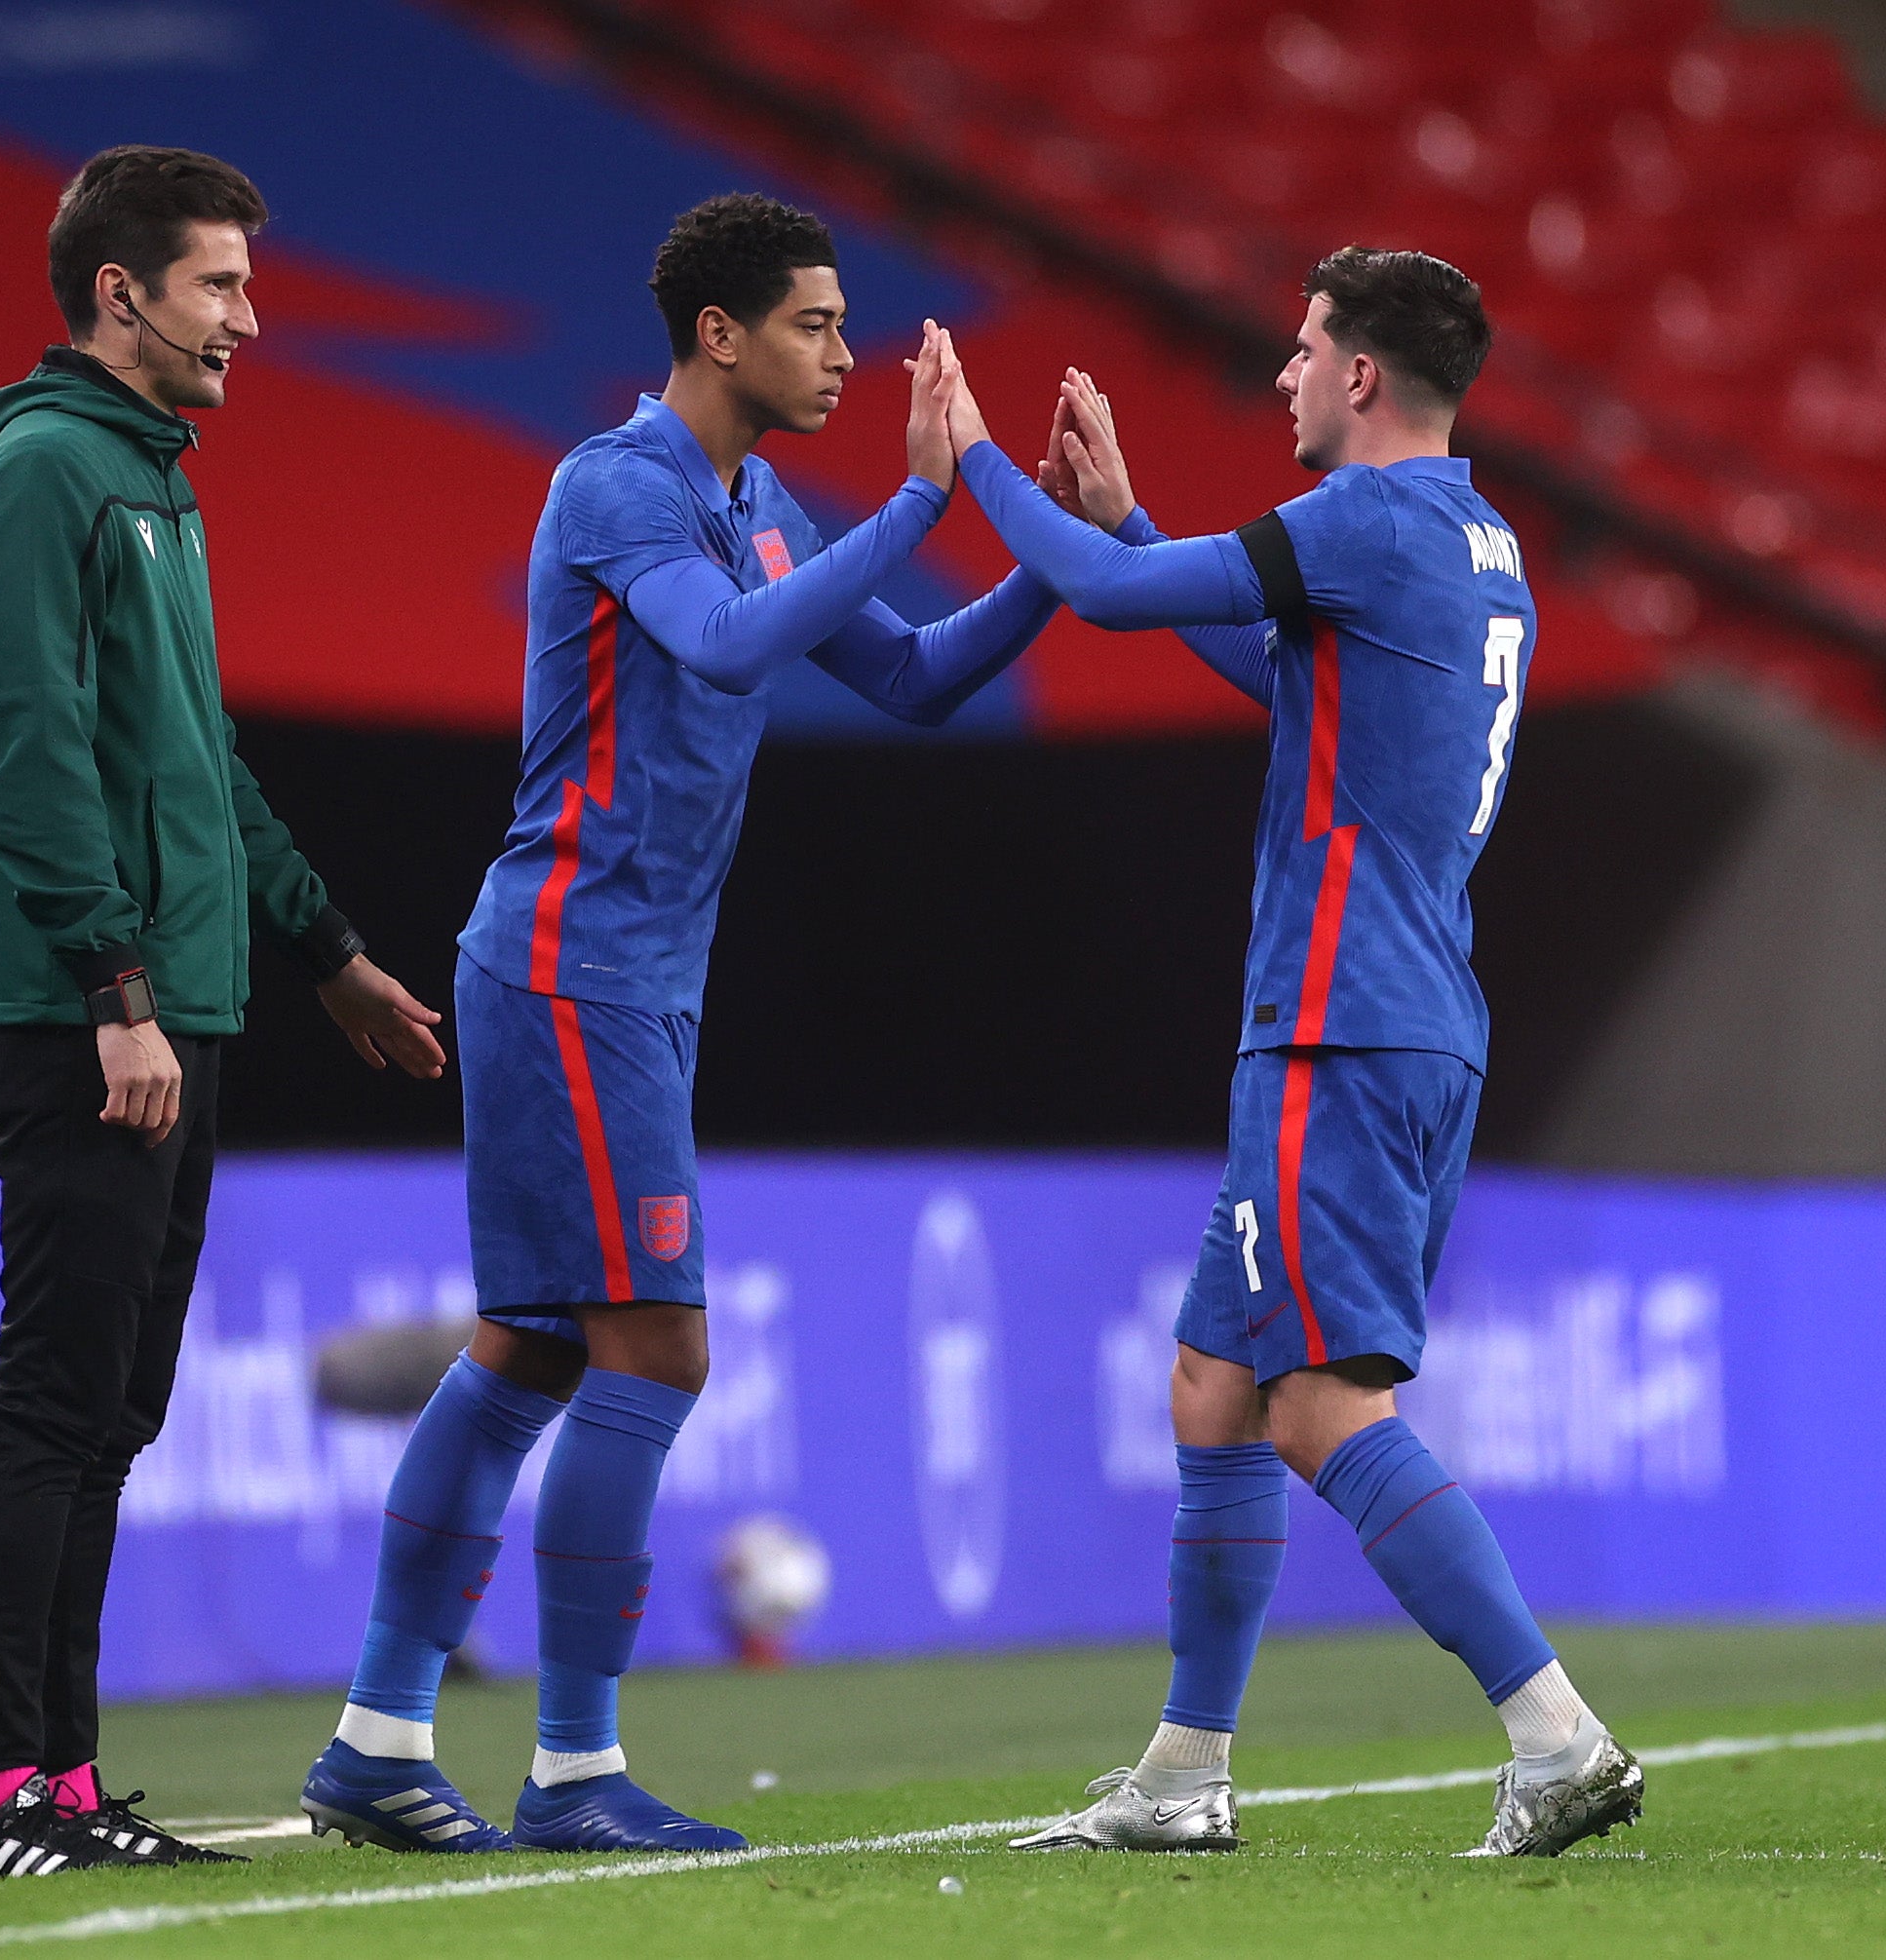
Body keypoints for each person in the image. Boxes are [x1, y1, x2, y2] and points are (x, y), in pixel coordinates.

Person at [299, 193, 1062, 1855]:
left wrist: (1045, 554)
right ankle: (573, 1771)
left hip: (624, 978)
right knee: (657, 1347)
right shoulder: (618, 482)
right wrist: (926, 497)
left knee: (528, 1353)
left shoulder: (761, 500)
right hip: (574, 965)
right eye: (816, 323)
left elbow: (918, 679)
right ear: (720, 335)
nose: (848, 352)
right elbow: (719, 642)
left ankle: (374, 1739)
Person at [949, 249, 1642, 1859]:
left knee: (1320, 1403)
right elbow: (1287, 687)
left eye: (1302, 346)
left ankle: (1555, 1735)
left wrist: (975, 457)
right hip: (1400, 1017)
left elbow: (1121, 605)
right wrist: (1124, 518)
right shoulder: (1479, 538)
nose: (1281, 373)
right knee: (1215, 1385)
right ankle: (1186, 1775)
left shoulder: (1371, 519)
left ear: (1360, 378)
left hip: (1340, 1020)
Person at [0, 145, 447, 1882]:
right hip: (90, 1016)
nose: (249, 315)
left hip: (180, 1005)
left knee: (112, 1412)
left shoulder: (154, 486)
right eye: (220, 284)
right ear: (121, 295)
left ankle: (61, 1791)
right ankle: (2, 1791)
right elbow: (36, 753)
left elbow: (197, 765)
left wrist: (326, 951)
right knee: (51, 1402)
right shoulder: (44, 477)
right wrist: (114, 990)